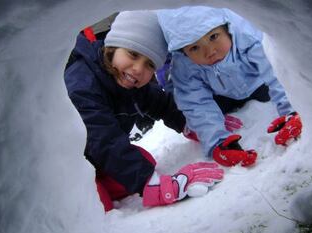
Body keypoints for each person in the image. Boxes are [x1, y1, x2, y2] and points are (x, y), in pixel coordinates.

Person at [63, 10, 224, 212]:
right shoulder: (82, 82)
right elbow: (103, 139)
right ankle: (84, 191)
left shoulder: (126, 77)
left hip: (95, 159)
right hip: (66, 168)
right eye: (133, 54)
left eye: (149, 64)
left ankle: (99, 180)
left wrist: (197, 124)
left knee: (143, 162)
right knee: (93, 205)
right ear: (112, 47)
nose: (138, 69)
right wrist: (152, 183)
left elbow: (161, 103)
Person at [156, 6, 303, 167]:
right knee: (203, 108)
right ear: (182, 52)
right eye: (194, 48)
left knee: (268, 90)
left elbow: (275, 71)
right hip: (222, 95)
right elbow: (196, 103)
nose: (210, 51)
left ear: (226, 28)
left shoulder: (246, 35)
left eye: (213, 37)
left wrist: (292, 109)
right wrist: (217, 143)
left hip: (259, 83)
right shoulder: (184, 65)